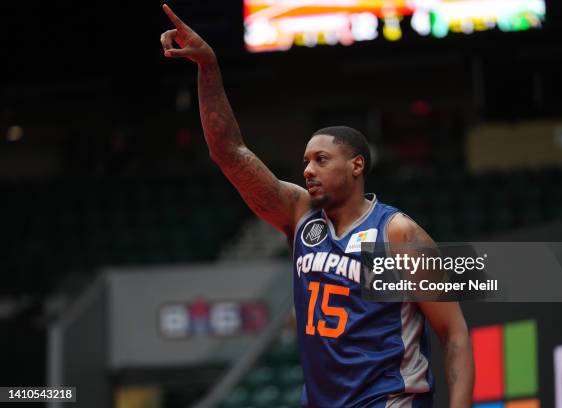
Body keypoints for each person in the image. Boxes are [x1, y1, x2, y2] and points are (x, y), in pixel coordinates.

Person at [160, 4, 474, 407]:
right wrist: (209, 68)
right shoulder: (300, 213)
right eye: (305, 160)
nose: (308, 169)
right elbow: (229, 151)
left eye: (321, 160)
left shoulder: (398, 233)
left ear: (357, 165)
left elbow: (454, 334)